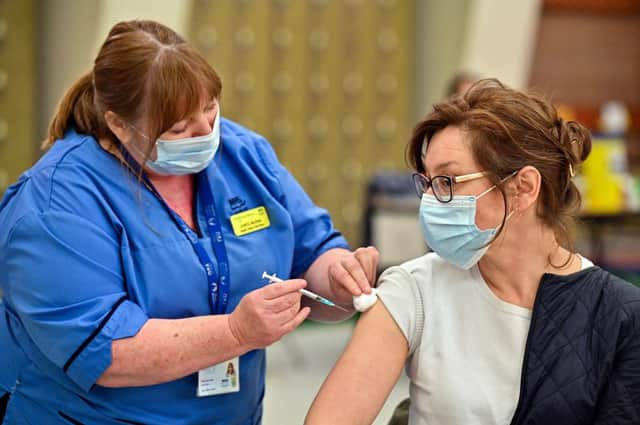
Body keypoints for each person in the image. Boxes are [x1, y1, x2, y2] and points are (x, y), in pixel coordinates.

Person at [0, 20, 378, 424]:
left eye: (210, 107)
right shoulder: (56, 203)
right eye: (178, 128)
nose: (207, 133)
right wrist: (235, 333)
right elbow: (106, 352)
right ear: (118, 124)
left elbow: (311, 250)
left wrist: (338, 278)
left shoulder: (242, 154)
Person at [306, 79, 640, 425]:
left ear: (523, 188)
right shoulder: (413, 290)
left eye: (448, 182)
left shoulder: (618, 315)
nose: (431, 201)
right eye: (428, 183)